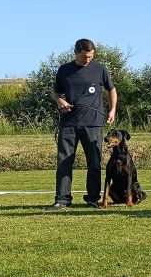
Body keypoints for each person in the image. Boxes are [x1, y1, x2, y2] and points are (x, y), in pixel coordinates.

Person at [45, 38, 117, 211]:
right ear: (76, 53)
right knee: (64, 162)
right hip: (68, 123)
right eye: (85, 57)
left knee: (94, 162)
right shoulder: (64, 70)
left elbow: (111, 89)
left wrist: (112, 110)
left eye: (91, 57)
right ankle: (62, 199)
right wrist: (59, 101)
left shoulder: (100, 69)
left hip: (93, 124)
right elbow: (55, 93)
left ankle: (92, 198)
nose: (88, 60)